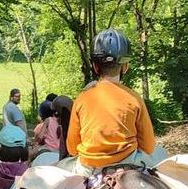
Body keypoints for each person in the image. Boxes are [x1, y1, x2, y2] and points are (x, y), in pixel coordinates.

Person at [65, 28, 156, 176]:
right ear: (125, 67)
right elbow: (149, 146)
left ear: (95, 66)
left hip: (89, 168)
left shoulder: (82, 98)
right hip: (129, 163)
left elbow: (72, 148)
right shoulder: (134, 98)